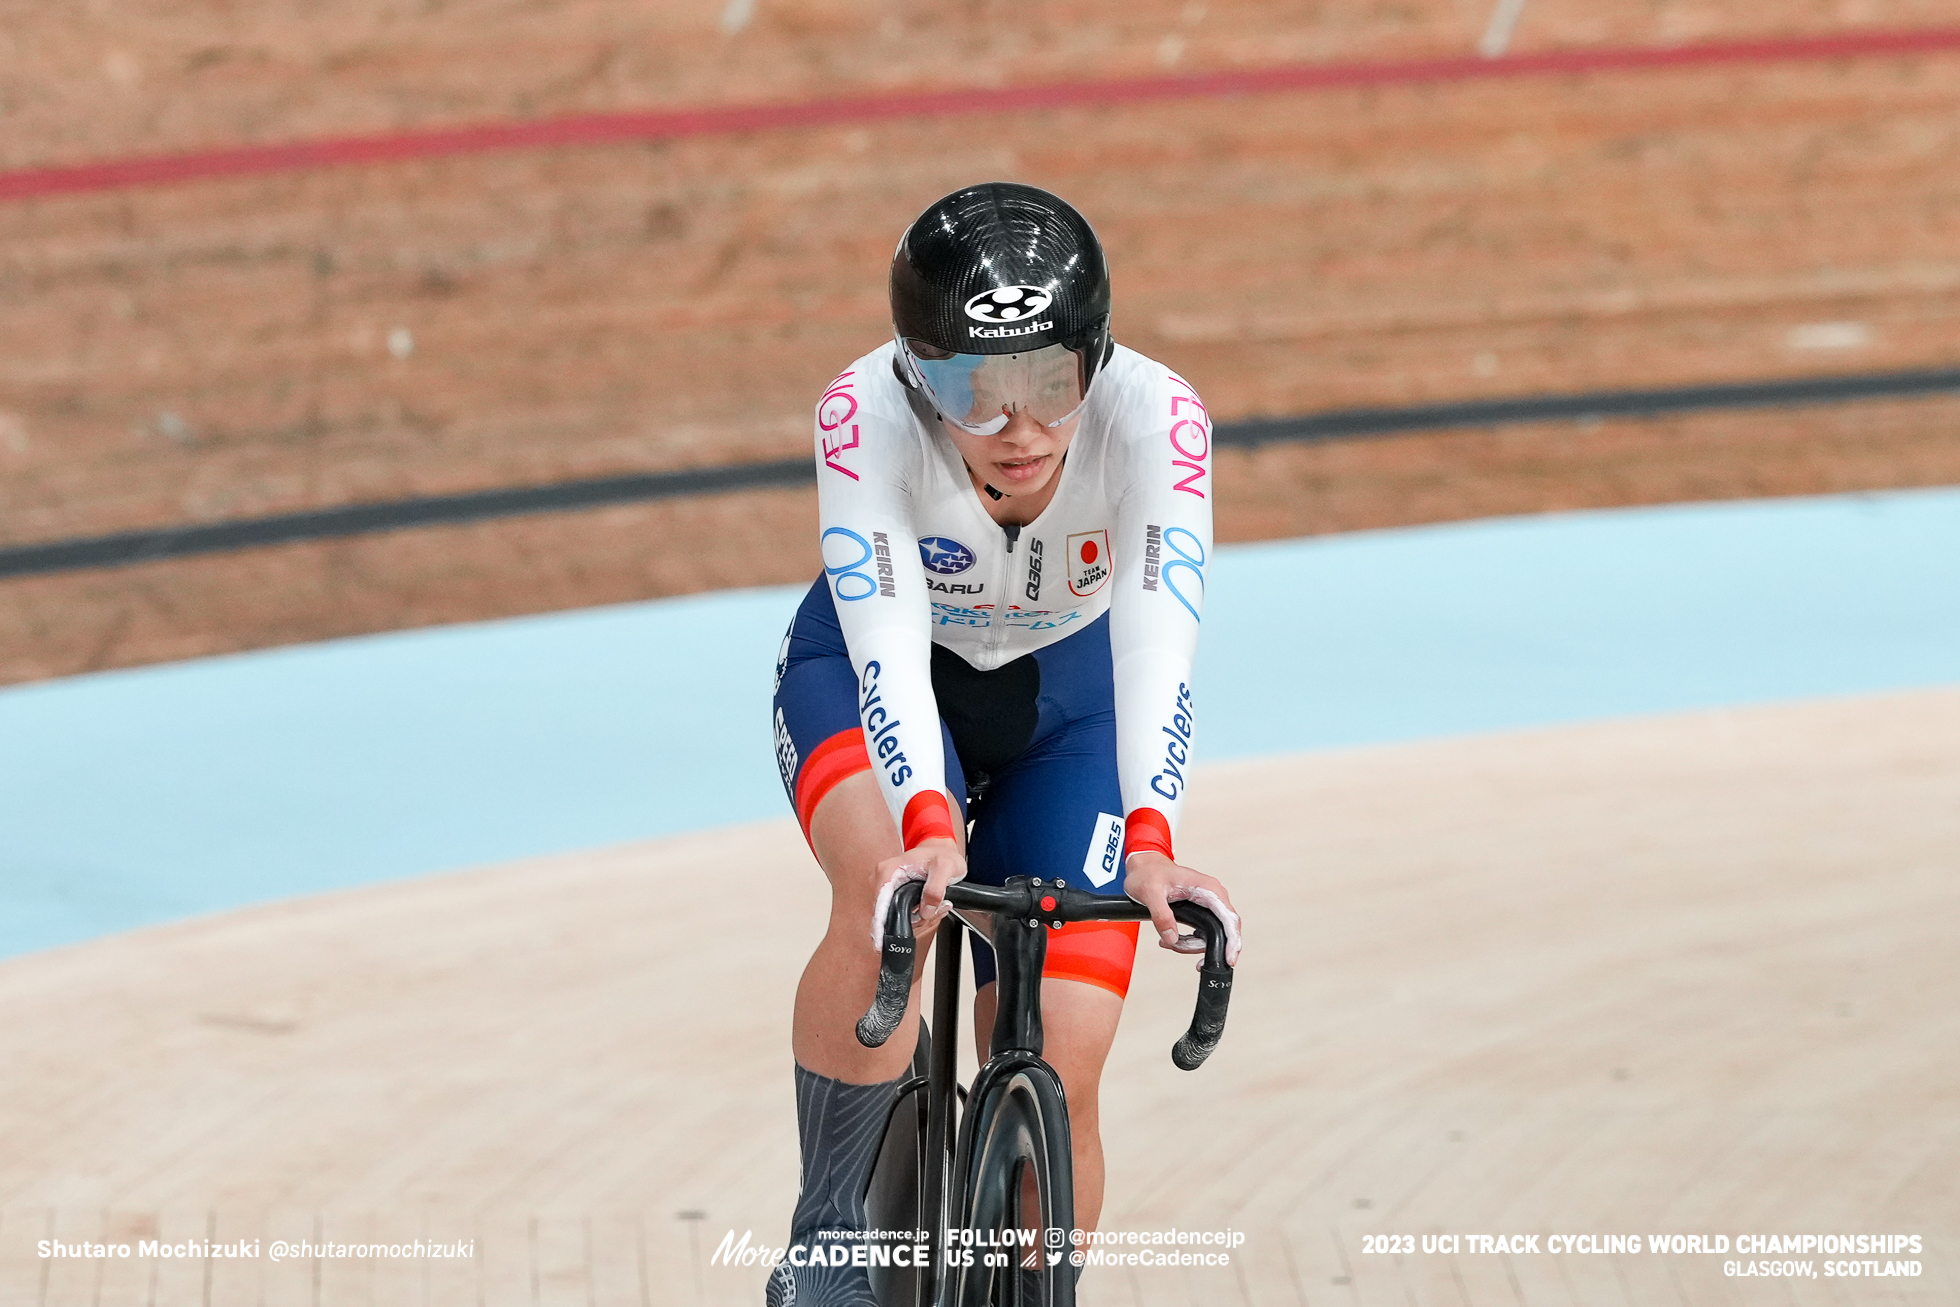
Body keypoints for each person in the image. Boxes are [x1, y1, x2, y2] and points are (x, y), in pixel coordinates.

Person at [767, 181, 1242, 1305]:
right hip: (875, 673)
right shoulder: (860, 413)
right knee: (881, 894)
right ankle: (831, 1236)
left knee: (1062, 1054)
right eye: (969, 390)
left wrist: (1156, 838)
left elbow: (1157, 638)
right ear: (911, 373)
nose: (1016, 426)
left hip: (1069, 710)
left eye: (1047, 382)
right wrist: (928, 826)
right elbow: (882, 633)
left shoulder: (1157, 417)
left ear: (1096, 355)